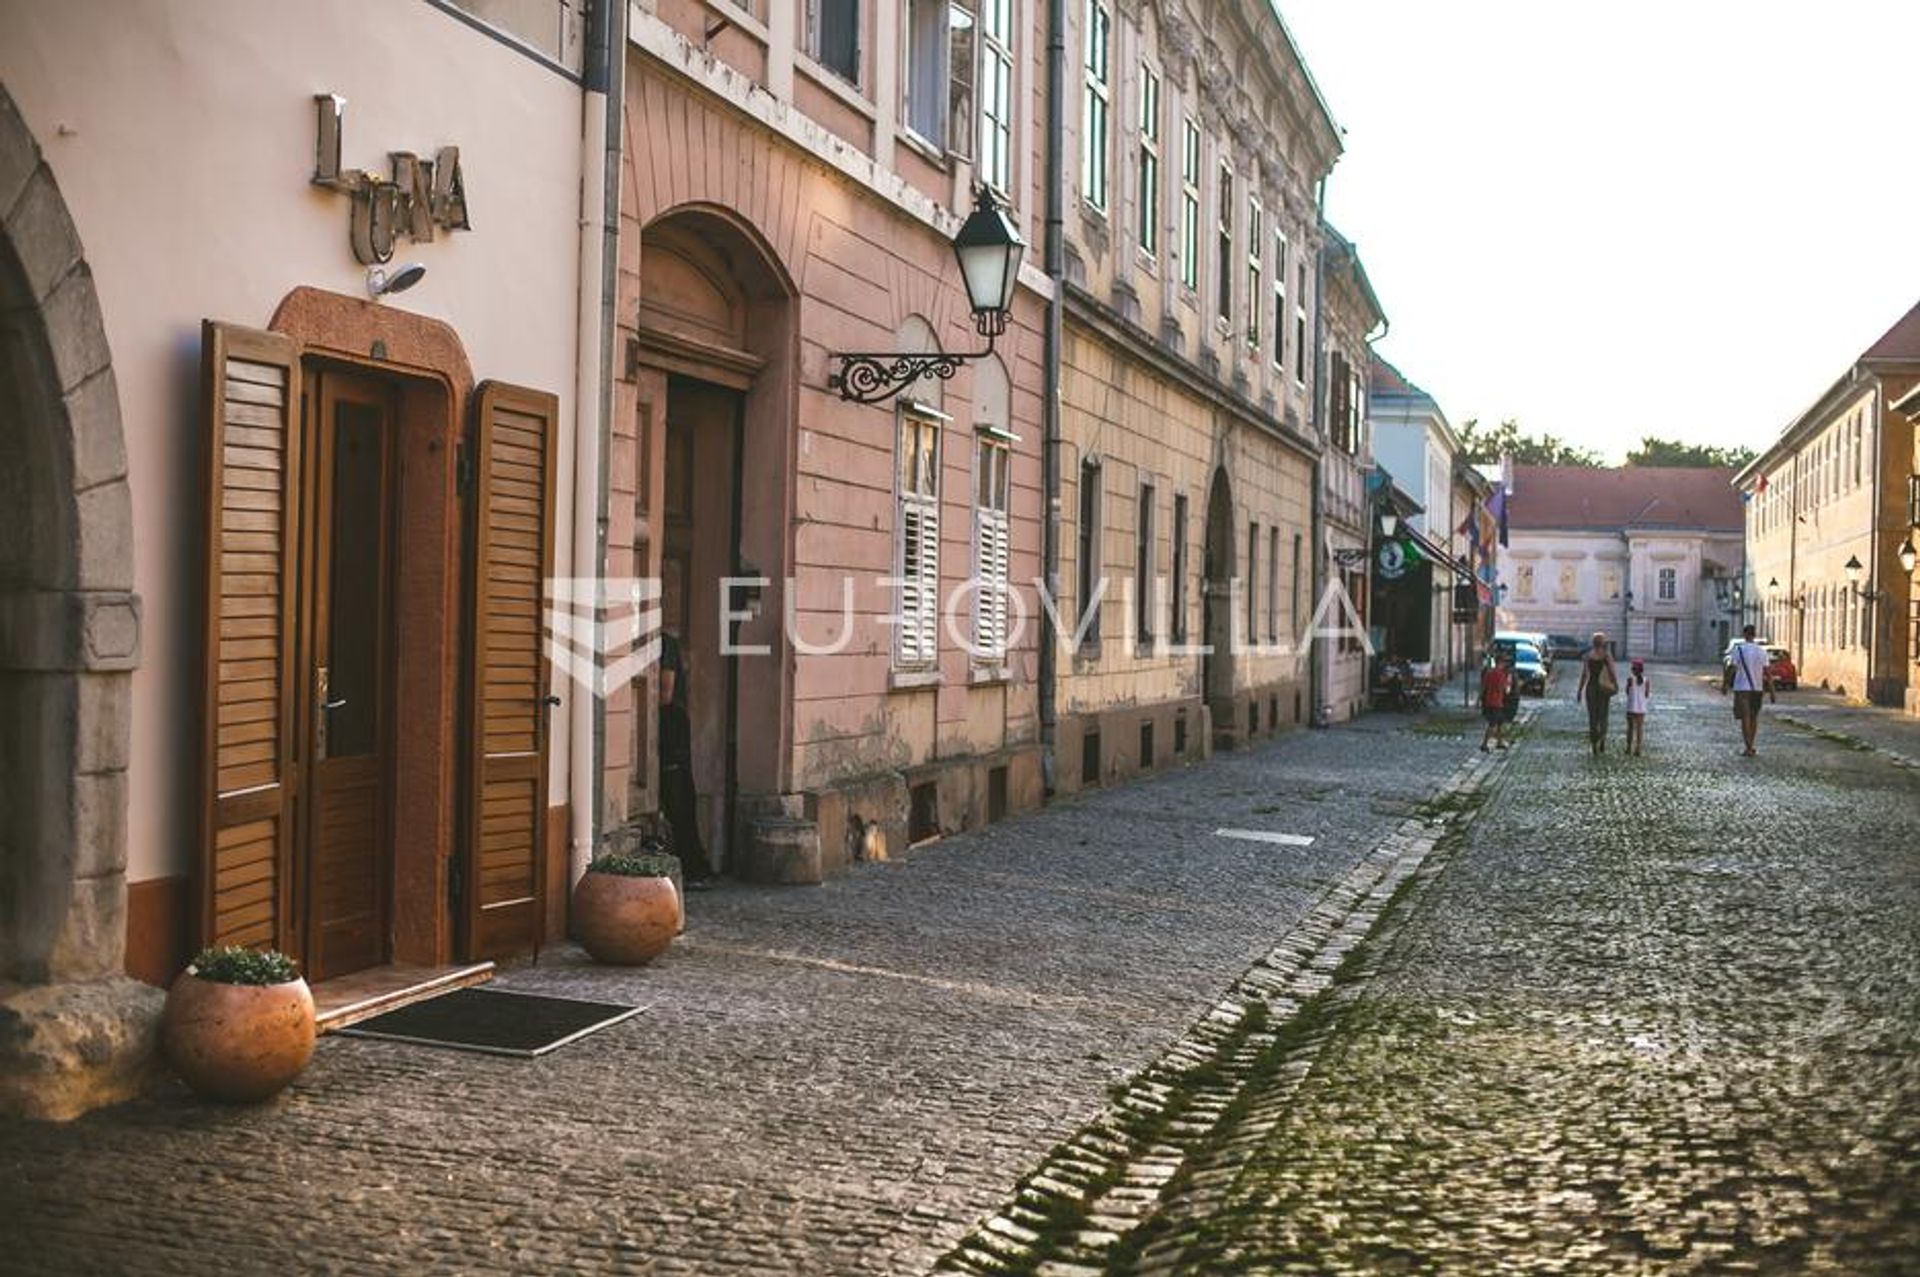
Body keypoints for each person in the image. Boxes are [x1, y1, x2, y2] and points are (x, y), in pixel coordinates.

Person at [657, 629, 711, 886]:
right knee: (677, 798)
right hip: (669, 726)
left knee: (678, 799)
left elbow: (665, 693)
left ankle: (694, 868)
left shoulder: (665, 643)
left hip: (671, 728)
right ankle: (693, 866)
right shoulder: (662, 642)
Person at [1727, 623, 1774, 757]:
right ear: (1754, 634)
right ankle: (1751, 744)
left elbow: (1732, 668)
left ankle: (1748, 746)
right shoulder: (1762, 651)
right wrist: (1772, 692)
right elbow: (1767, 673)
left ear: (1745, 634)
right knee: (1754, 717)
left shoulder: (1739, 650)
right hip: (1757, 688)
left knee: (1745, 718)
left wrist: (1725, 684)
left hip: (1742, 688)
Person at [1574, 631, 1619, 756]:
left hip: (1591, 688)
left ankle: (1594, 743)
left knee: (1592, 717)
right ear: (1603, 643)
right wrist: (1615, 684)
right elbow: (1612, 672)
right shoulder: (1606, 656)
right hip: (1603, 688)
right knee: (1603, 715)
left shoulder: (1588, 656)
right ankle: (1602, 740)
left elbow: (1584, 675)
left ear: (1593, 643)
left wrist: (1580, 690)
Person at [1479, 653, 1514, 752]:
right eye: (1504, 662)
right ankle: (1484, 744)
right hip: (1497, 702)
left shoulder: (1489, 673)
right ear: (1501, 662)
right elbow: (1506, 690)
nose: (1505, 665)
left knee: (1500, 723)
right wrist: (1509, 681)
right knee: (1493, 724)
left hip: (1489, 701)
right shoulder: (1501, 675)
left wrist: (1479, 700)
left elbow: (1483, 687)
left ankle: (1500, 742)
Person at [1622, 658, 1651, 756]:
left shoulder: (1630, 679)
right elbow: (1647, 694)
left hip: (1631, 706)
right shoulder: (1646, 680)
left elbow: (1627, 691)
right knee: (1639, 729)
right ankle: (1638, 748)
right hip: (1641, 707)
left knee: (1630, 728)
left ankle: (1628, 747)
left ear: (1632, 669)